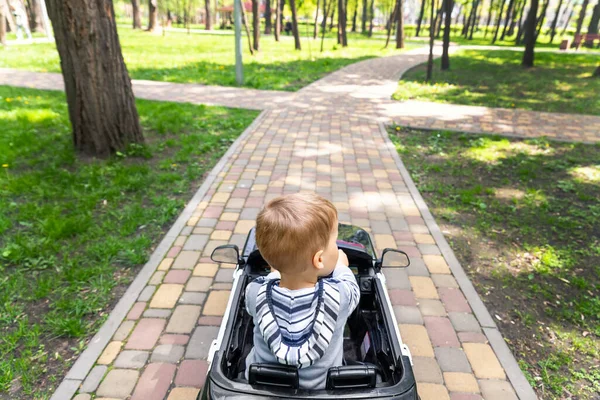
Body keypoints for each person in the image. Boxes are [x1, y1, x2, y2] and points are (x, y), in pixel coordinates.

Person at [244, 193, 360, 389]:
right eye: (334, 241)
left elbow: (260, 293)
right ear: (319, 260)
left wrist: (276, 273)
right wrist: (342, 266)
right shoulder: (339, 296)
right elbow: (352, 288)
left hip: (261, 383)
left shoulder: (255, 293)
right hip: (320, 388)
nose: (336, 246)